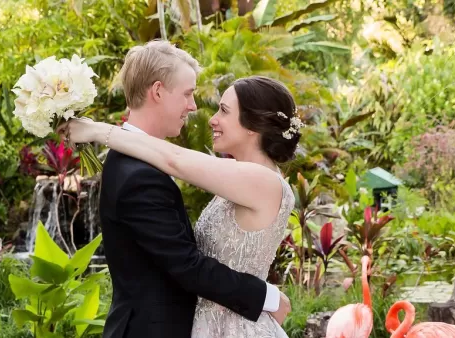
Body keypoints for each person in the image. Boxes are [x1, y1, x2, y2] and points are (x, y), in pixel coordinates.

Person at [60, 40, 298, 338]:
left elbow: (176, 160)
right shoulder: (140, 173)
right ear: (158, 91)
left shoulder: (258, 180)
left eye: (223, 111)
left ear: (252, 126)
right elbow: (187, 264)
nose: (203, 112)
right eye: (188, 93)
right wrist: (267, 296)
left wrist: (98, 130)